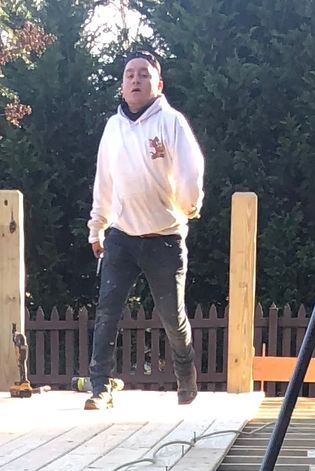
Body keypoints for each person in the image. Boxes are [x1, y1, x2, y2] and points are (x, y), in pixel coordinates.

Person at [85, 53, 204, 411]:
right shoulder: (112, 127)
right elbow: (103, 182)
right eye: (129, 75)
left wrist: (189, 206)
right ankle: (99, 387)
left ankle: (185, 378)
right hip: (121, 236)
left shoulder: (171, 122)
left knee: (172, 316)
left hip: (165, 238)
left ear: (158, 85)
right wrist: (97, 227)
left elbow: (190, 170)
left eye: (144, 75)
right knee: (107, 312)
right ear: (122, 86)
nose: (135, 80)